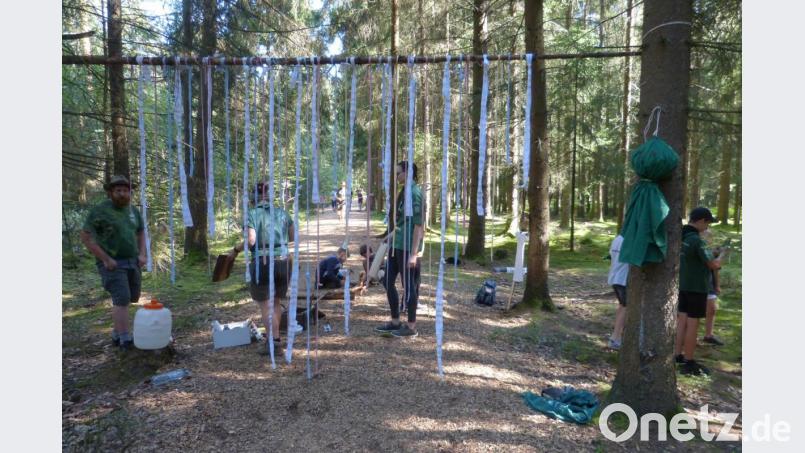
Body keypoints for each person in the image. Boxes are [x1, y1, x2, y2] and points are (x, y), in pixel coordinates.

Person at [80, 175, 147, 351]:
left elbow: (141, 233)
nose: (123, 194)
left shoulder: (133, 211)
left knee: (132, 297)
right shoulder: (100, 211)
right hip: (112, 264)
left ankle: (117, 335)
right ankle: (125, 340)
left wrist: (142, 254)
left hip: (132, 261)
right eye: (118, 191)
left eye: (126, 190)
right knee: (122, 298)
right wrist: (105, 259)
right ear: (110, 193)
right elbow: (86, 237)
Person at [229, 181, 294, 355]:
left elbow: (251, 240)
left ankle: (273, 343)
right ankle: (276, 339)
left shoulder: (252, 214)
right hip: (283, 261)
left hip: (263, 263)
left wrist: (235, 250)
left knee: (266, 305)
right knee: (276, 302)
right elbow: (293, 236)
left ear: (254, 198)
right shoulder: (283, 213)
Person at [375, 161, 425, 338]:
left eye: (398, 172)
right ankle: (395, 321)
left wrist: (413, 254)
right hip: (396, 244)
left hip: (407, 247)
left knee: (409, 287)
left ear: (407, 173)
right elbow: (401, 222)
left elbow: (419, 226)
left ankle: (411, 327)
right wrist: (389, 236)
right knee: (387, 281)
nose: (396, 175)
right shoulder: (404, 192)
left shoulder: (415, 193)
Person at [674, 207, 721, 376]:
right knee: (693, 324)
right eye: (707, 223)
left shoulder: (680, 236)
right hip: (696, 288)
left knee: (681, 321)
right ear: (701, 220)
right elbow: (713, 264)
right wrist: (721, 256)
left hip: (682, 286)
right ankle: (689, 361)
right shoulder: (697, 240)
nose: (707, 228)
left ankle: (677, 355)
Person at [701, 230, 725, 346]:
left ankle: (708, 335)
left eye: (710, 237)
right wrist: (722, 254)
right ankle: (690, 338)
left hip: (709, 285)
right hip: (695, 285)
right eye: (706, 236)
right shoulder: (698, 249)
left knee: (712, 309)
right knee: (692, 313)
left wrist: (717, 285)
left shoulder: (711, 252)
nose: (708, 239)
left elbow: (715, 269)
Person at [606, 234, 629, 350]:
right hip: (623, 279)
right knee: (625, 307)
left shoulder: (617, 239)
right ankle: (615, 339)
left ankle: (616, 336)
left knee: (622, 306)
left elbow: (611, 255)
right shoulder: (630, 240)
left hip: (614, 278)